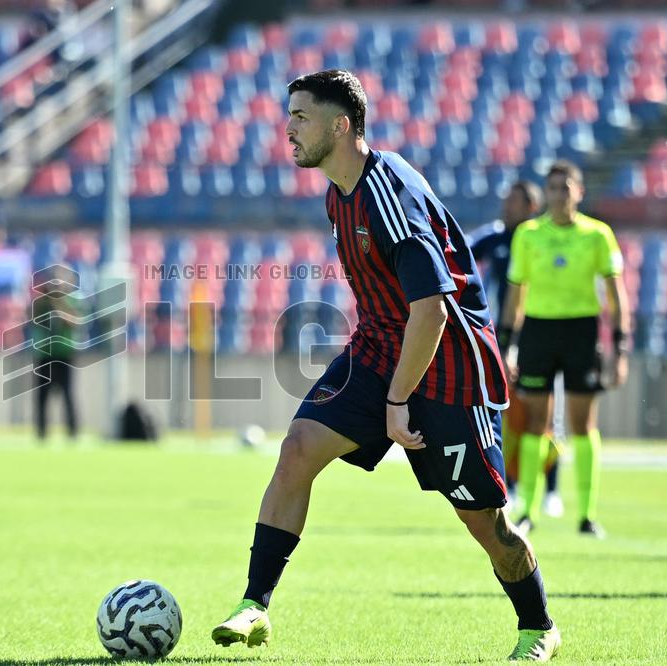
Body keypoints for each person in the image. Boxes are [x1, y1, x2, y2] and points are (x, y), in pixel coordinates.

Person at [211, 70, 559, 662]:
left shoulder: (388, 191)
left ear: (341, 125)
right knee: (297, 449)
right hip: (379, 348)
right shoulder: (335, 193)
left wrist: (398, 403)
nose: (288, 127)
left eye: (301, 116)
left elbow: (433, 311)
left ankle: (539, 626)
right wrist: (386, 386)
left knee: (487, 526)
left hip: (448, 366)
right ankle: (255, 606)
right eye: (288, 114)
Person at [501, 160, 630, 539]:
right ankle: (527, 511)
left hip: (581, 333)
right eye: (553, 188)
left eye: (565, 188)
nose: (559, 195)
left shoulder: (598, 235)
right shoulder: (528, 234)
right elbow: (515, 293)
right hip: (538, 334)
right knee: (535, 423)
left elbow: (616, 295)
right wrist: (508, 345)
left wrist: (620, 348)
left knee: (582, 424)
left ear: (579, 192)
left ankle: (587, 516)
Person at [470, 183, 563, 518]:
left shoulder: (541, 238)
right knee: (502, 413)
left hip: (539, 335)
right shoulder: (493, 238)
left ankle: (552, 488)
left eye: (512, 201)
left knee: (545, 415)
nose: (505, 207)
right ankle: (507, 484)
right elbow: (459, 255)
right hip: (499, 338)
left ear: (531, 206)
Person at [31, 269, 82, 441]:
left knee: (68, 395)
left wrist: (58, 305)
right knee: (42, 396)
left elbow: (75, 322)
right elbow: (33, 319)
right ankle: (41, 433)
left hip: (64, 353)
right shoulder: (41, 303)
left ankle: (72, 432)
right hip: (45, 353)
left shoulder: (73, 300)